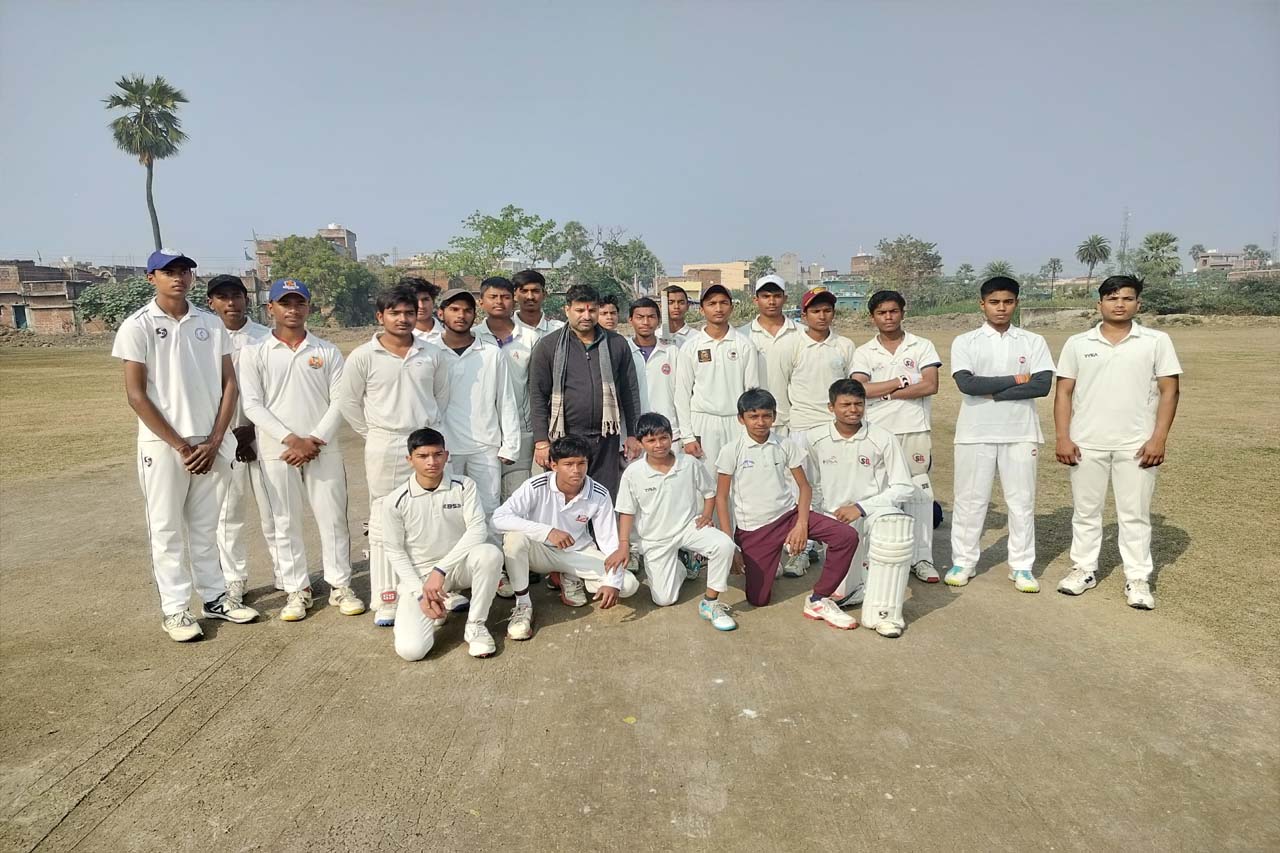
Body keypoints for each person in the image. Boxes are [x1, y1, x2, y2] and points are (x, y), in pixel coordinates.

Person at [112, 250, 258, 641]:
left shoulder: (210, 324)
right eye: (168, 271)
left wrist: (215, 440)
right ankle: (176, 610)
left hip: (210, 442)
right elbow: (136, 395)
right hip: (164, 446)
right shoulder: (138, 325)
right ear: (151, 277)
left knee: (206, 527)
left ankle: (214, 597)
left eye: (184, 271)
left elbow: (230, 384)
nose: (178, 278)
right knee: (166, 529)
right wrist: (180, 445)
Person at [1053, 276, 1182, 610]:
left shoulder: (1156, 341)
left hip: (1137, 444)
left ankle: (1137, 578)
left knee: (1135, 514)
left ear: (1138, 303)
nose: (1119, 304)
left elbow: (1170, 391)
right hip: (1086, 442)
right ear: (1099, 304)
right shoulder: (1078, 343)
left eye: (1127, 298)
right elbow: (1064, 392)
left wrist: (1158, 438)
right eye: (1112, 298)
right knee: (1086, 512)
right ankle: (1083, 569)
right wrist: (1063, 437)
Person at [240, 278, 364, 621]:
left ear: (309, 307)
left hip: (323, 449)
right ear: (271, 308)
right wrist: (290, 439)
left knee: (333, 518)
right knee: (284, 520)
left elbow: (340, 400)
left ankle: (340, 584)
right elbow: (252, 404)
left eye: (299, 303)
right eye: (285, 303)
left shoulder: (326, 351)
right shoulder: (255, 352)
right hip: (277, 449)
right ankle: (297, 589)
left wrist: (314, 439)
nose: (292, 310)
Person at [338, 284, 451, 626]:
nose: (403, 319)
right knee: (385, 518)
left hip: (425, 440)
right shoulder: (363, 356)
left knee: (430, 513)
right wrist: (374, 434)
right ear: (380, 316)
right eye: (394, 313)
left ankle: (434, 591)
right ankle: (386, 597)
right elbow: (349, 402)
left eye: (409, 313)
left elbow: (441, 397)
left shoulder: (432, 354)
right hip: (385, 443)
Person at [714, 389, 859, 627]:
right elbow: (721, 498)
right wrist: (730, 545)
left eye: (766, 416)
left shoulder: (785, 444)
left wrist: (801, 525)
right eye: (753, 416)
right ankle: (769, 561)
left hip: (788, 516)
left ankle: (819, 599)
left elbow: (804, 487)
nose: (761, 422)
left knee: (846, 536)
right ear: (741, 419)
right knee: (758, 600)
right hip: (755, 529)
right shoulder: (732, 450)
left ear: (774, 416)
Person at [946, 277, 1055, 592]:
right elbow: (968, 384)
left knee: (1021, 502)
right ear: (982, 304)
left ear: (1016, 303)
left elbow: (1042, 386)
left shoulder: (1032, 341)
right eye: (994, 302)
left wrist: (994, 392)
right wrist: (1018, 379)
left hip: (1020, 432)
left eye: (1008, 302)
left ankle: (1021, 566)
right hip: (975, 432)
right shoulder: (966, 341)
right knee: (970, 500)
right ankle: (963, 561)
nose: (1001, 308)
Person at [493, 436, 641, 639]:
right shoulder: (536, 486)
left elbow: (609, 543)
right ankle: (523, 605)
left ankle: (569, 576)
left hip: (576, 553)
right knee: (514, 539)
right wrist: (547, 532)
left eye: (581, 463)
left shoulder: (599, 493)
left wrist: (612, 582)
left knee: (628, 585)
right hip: (540, 552)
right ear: (554, 465)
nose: (576, 470)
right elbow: (498, 519)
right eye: (568, 464)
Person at [805, 380, 916, 636]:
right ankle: (857, 588)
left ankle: (886, 615)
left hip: (875, 512)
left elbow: (903, 486)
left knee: (894, 528)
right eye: (845, 404)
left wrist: (861, 507)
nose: (853, 410)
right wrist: (816, 519)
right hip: (836, 519)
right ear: (831, 407)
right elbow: (810, 483)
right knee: (843, 592)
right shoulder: (814, 438)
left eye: (858, 404)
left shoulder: (882, 438)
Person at [380, 428, 502, 660]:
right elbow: (395, 551)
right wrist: (420, 594)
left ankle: (475, 626)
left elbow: (477, 530)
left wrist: (441, 569)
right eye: (422, 456)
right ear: (409, 459)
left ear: (446, 456)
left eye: (437, 454)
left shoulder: (464, 486)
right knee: (411, 652)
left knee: (490, 554)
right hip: (422, 577)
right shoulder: (395, 501)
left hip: (457, 567)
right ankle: (433, 606)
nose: (432, 462)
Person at [850, 290, 943, 583]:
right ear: (872, 317)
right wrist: (901, 381)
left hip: (913, 429)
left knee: (918, 494)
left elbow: (930, 385)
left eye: (893, 311)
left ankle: (922, 558)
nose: (888, 317)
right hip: (876, 431)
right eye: (882, 312)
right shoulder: (864, 352)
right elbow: (860, 389)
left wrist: (886, 393)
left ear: (903, 312)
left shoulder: (921, 346)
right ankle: (876, 556)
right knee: (878, 492)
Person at [612, 414, 737, 629]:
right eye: (651, 440)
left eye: (664, 438)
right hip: (655, 539)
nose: (659, 445)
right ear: (640, 443)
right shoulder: (633, 473)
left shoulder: (688, 463)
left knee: (724, 545)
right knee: (664, 599)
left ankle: (710, 603)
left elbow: (710, 492)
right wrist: (624, 545)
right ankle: (682, 565)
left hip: (688, 527)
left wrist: (707, 515)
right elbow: (626, 511)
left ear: (672, 438)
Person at [206, 273, 283, 598]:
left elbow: (275, 392)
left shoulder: (265, 338)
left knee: (274, 511)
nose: (230, 303)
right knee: (229, 515)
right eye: (222, 297)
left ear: (246, 299)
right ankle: (234, 578)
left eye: (236, 296)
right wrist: (224, 436)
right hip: (222, 439)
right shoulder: (205, 338)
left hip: (261, 436)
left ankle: (286, 574)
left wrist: (252, 430)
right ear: (211, 302)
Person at [528, 284, 643, 498]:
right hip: (565, 439)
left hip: (606, 439)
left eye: (592, 310)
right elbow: (537, 397)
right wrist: (541, 441)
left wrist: (634, 436)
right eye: (580, 310)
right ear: (567, 310)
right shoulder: (549, 346)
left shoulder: (616, 344)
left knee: (603, 498)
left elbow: (630, 392)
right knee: (565, 498)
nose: (586, 316)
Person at [674, 284, 763, 523]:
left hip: (736, 423)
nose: (718, 308)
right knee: (705, 484)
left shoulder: (744, 344)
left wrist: (751, 429)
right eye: (712, 304)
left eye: (723, 303)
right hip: (703, 423)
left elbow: (752, 392)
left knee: (741, 483)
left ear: (732, 307)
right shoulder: (691, 347)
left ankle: (739, 537)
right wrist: (687, 436)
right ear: (701, 309)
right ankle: (704, 540)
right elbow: (682, 394)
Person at [435, 287, 521, 528]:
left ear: (475, 315)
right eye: (454, 309)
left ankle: (490, 552)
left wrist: (510, 445)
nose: (460, 315)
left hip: (485, 446)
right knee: (448, 511)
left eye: (467, 310)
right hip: (445, 446)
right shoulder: (431, 352)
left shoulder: (491, 354)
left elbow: (505, 400)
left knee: (489, 509)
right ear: (441, 313)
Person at [475, 276, 544, 501]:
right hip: (482, 430)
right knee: (485, 496)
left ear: (513, 300)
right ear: (481, 302)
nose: (499, 302)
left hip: (521, 429)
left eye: (505, 297)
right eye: (493, 297)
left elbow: (537, 387)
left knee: (516, 496)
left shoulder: (530, 338)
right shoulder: (473, 337)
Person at [742, 274, 801, 435]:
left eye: (777, 296)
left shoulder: (801, 333)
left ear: (785, 298)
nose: (772, 301)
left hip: (791, 421)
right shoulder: (743, 336)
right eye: (766, 296)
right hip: (755, 421)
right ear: (756, 300)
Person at [626, 297, 681, 446]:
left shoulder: (671, 352)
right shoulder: (623, 351)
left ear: (658, 320)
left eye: (651, 317)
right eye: (640, 317)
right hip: (633, 436)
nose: (645, 322)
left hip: (668, 433)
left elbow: (682, 393)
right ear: (630, 320)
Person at [513, 269, 564, 336]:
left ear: (544, 294)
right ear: (514, 296)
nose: (530, 297)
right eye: (524, 291)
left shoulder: (560, 330)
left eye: (535, 291)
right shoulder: (503, 330)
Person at [407, 277, 443, 347]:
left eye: (425, 300)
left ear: (433, 301)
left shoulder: (451, 334)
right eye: (414, 300)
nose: (421, 306)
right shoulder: (401, 338)